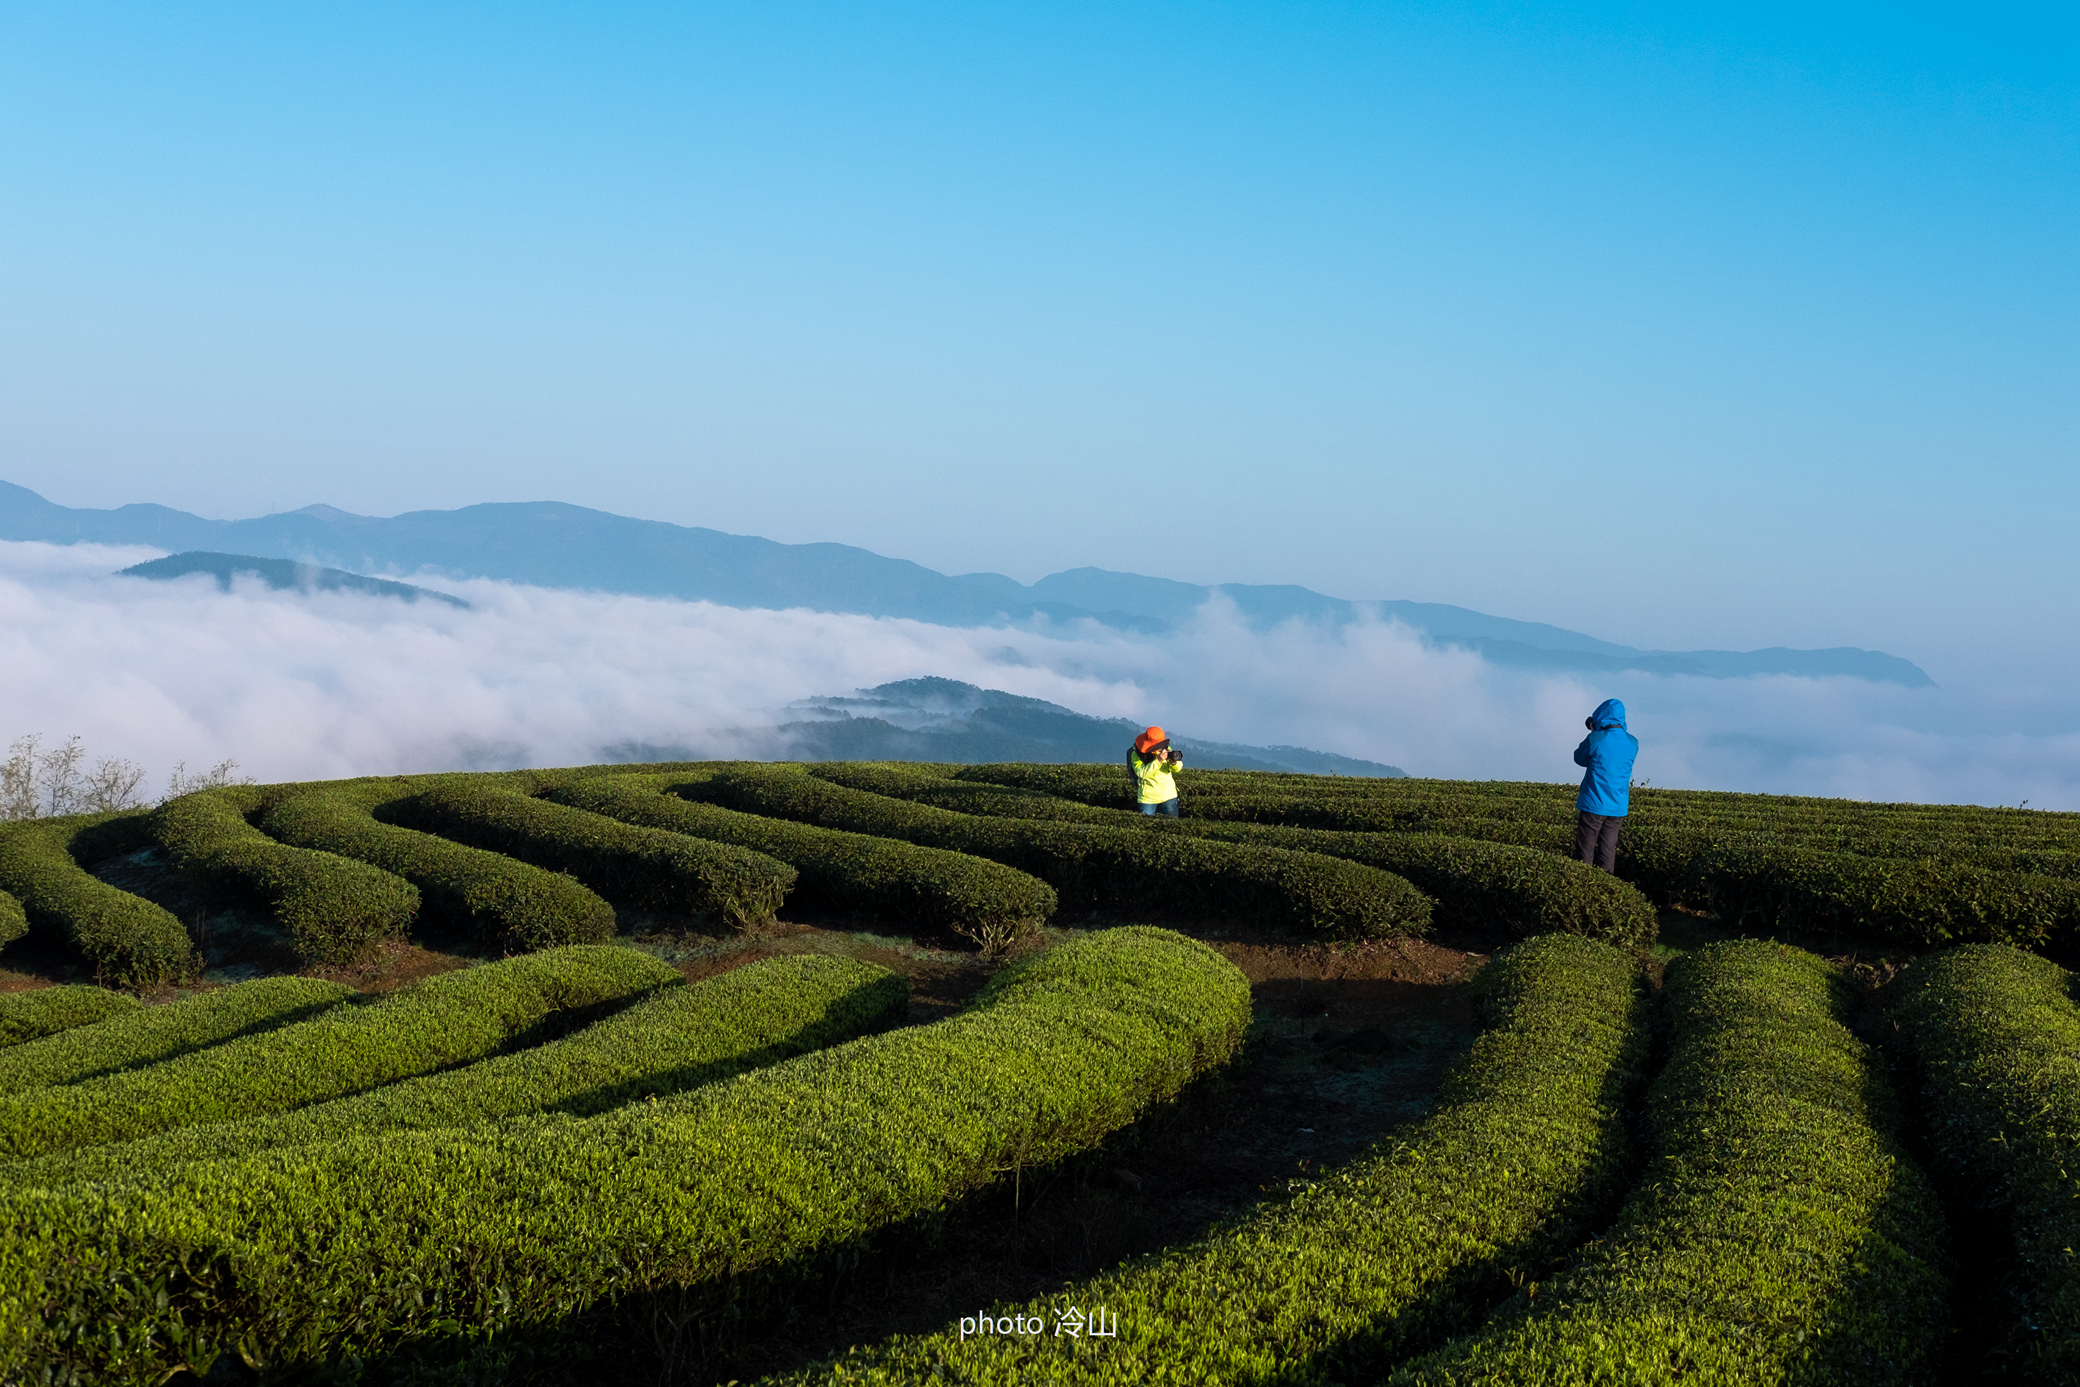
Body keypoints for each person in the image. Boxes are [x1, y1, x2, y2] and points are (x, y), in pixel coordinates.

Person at [1573, 698, 1639, 872]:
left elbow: (1579, 758)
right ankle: (1607, 888)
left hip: (1593, 804)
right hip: (1618, 806)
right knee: (1607, 851)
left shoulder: (1596, 739)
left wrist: (1594, 731)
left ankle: (1583, 887)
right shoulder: (1633, 743)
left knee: (1585, 852)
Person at [1127, 726, 1183, 817]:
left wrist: (1174, 763)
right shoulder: (1136, 754)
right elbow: (1142, 773)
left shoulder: (1166, 749)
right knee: (1145, 827)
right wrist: (1158, 761)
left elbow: (1178, 768)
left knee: (1171, 825)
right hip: (1147, 798)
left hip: (1168, 795)